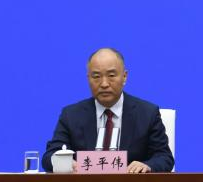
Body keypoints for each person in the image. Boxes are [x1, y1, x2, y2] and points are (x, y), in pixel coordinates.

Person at [42, 47, 174, 173]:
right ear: (88, 79)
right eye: (96, 76)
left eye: (111, 75)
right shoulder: (71, 115)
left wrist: (147, 166)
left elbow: (164, 157)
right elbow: (50, 155)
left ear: (124, 76)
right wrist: (65, 163)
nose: (104, 84)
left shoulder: (147, 113)